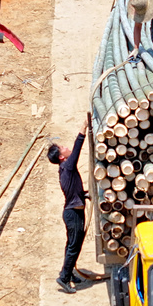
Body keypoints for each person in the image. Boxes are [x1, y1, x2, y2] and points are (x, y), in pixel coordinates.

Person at [47, 116, 90, 294]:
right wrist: (84, 127)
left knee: (73, 244)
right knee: (74, 245)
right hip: (73, 214)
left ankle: (70, 272)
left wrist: (85, 194)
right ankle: (64, 278)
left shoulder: (65, 171)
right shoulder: (68, 166)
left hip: (74, 211)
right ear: (61, 157)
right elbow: (78, 148)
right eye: (63, 148)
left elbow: (74, 190)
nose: (66, 148)